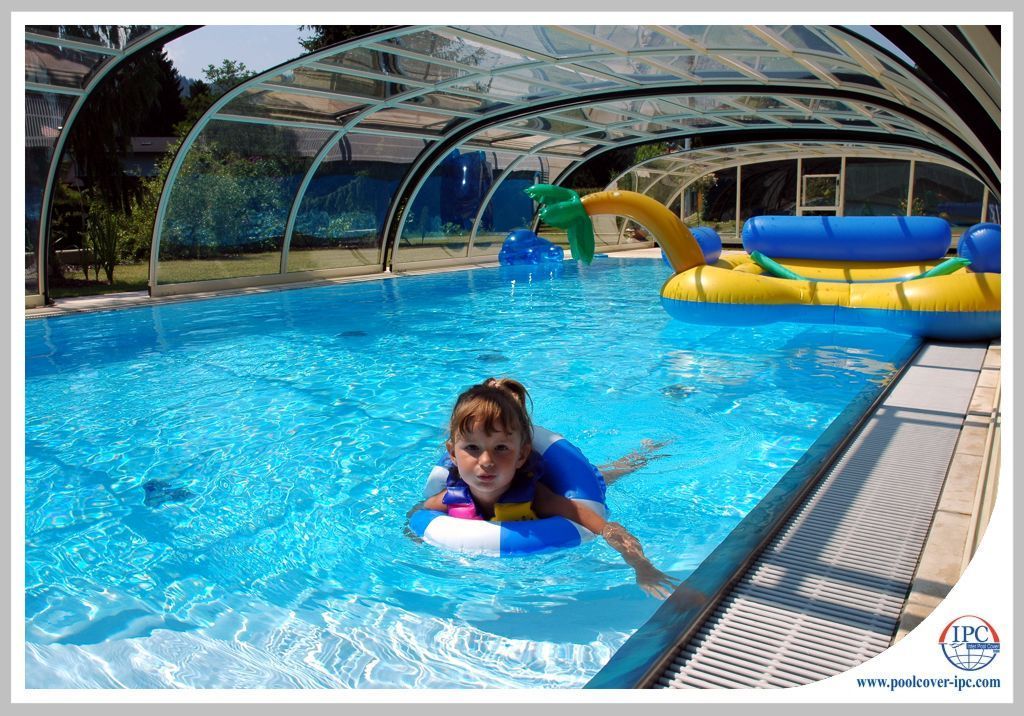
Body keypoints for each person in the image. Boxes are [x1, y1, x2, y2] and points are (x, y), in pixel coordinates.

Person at [418, 377, 677, 599]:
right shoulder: (450, 498)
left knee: (611, 472)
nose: (486, 461)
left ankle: (645, 453)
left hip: (569, 485)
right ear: (453, 454)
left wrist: (642, 567)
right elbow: (418, 515)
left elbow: (608, 528)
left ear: (521, 455)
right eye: (472, 448)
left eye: (501, 448)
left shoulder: (539, 498)